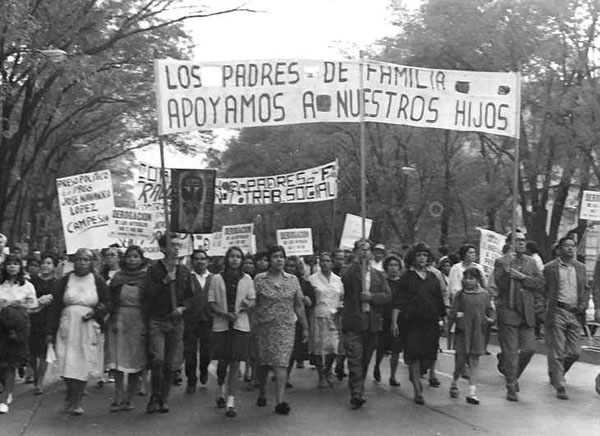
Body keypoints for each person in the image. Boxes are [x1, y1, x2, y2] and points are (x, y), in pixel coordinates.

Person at [47, 248, 109, 415]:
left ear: (91, 262)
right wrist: (50, 330)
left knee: (83, 361)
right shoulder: (65, 280)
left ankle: (78, 401)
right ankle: (70, 391)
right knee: (66, 360)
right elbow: (56, 306)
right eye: (79, 259)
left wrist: (96, 312)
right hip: (67, 323)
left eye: (86, 260)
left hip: (87, 325)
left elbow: (106, 302)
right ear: (74, 262)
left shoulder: (97, 280)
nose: (82, 263)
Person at [253, 245, 308, 415]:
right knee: (263, 362)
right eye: (275, 256)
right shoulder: (259, 279)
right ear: (269, 260)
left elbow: (298, 304)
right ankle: (262, 390)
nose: (279, 260)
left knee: (281, 363)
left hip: (285, 327)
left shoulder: (292, 280)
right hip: (264, 327)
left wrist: (305, 327)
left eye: (281, 257)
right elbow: (253, 302)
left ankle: (280, 401)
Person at [143, 233, 193, 414]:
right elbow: (147, 295)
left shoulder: (185, 271)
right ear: (163, 249)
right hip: (157, 320)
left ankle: (164, 398)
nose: (176, 248)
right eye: (172, 245)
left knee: (171, 363)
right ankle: (154, 396)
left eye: (178, 245)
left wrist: (182, 308)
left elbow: (190, 297)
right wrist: (164, 281)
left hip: (176, 322)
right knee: (158, 360)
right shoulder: (154, 270)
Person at [392, 242, 445, 405]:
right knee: (414, 353)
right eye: (419, 255)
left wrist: (443, 319)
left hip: (430, 322)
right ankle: (417, 389)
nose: (422, 258)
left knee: (428, 355)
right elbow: (398, 301)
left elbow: (438, 300)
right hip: (411, 322)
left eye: (425, 255)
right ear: (413, 258)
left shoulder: (433, 278)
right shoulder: (406, 278)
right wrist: (394, 321)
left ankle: (419, 372)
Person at [494, 231, 544, 402]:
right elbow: (499, 285)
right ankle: (510, 386)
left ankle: (513, 375)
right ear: (510, 244)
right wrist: (507, 273)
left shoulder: (531, 262)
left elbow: (540, 283)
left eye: (523, 240)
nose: (522, 243)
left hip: (527, 313)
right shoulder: (502, 261)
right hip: (509, 311)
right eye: (518, 241)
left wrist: (522, 277)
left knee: (530, 349)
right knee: (511, 352)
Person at [342, 239, 392, 409]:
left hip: (372, 324)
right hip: (354, 323)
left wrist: (372, 298)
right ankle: (356, 393)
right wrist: (357, 263)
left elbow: (387, 296)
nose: (366, 252)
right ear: (356, 252)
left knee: (364, 360)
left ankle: (358, 386)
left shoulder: (378, 275)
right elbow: (346, 281)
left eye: (368, 250)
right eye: (362, 250)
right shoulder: (350, 271)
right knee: (355, 359)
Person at [208, 246, 255, 417]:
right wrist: (224, 314)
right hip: (221, 325)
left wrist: (243, 308)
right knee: (223, 361)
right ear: (226, 259)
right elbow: (211, 302)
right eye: (232, 256)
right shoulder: (216, 279)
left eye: (238, 257)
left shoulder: (247, 279)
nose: (235, 259)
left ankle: (231, 401)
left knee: (235, 361)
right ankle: (220, 388)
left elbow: (252, 299)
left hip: (240, 325)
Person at [543, 235, 588, 400]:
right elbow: (543, 290)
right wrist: (543, 310)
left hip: (575, 313)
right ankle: (560, 383)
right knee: (557, 349)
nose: (570, 248)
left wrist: (583, 306)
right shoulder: (550, 268)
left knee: (575, 352)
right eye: (567, 245)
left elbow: (585, 288)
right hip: (557, 311)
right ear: (560, 249)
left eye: (572, 246)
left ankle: (557, 371)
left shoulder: (581, 268)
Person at [106, 246, 148, 412]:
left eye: (136, 256)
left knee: (134, 361)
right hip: (119, 320)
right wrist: (113, 318)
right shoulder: (118, 277)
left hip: (138, 320)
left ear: (141, 259)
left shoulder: (146, 279)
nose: (132, 259)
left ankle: (129, 398)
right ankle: (118, 395)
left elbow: (150, 302)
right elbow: (110, 300)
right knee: (117, 360)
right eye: (129, 256)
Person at [0, 255, 44, 413]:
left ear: (20, 267)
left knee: (11, 362)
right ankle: (6, 388)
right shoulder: (1, 284)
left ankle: (5, 397)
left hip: (18, 328)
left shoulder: (27, 286)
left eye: (15, 264)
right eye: (9, 264)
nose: (12, 267)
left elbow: (33, 307)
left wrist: (18, 306)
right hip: (1, 327)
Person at [447, 267, 494, 405]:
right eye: (466, 278)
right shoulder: (460, 295)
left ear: (478, 280)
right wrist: (448, 330)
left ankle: (472, 393)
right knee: (460, 362)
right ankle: (454, 382)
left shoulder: (484, 295)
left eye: (472, 278)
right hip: (462, 333)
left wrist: (490, 320)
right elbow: (452, 314)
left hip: (477, 333)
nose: (468, 281)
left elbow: (490, 311)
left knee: (474, 361)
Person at [308, 252, 343, 388]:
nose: (324, 263)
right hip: (319, 315)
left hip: (335, 316)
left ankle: (327, 370)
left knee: (334, 347)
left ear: (332, 263)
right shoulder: (312, 279)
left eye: (328, 261)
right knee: (318, 348)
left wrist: (340, 307)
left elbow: (341, 297)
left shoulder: (338, 280)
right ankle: (320, 374)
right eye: (322, 261)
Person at [184, 249, 213, 393]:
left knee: (206, 351)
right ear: (192, 261)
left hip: (208, 320)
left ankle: (204, 370)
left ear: (207, 261)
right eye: (197, 259)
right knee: (189, 352)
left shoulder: (214, 278)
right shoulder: (186, 278)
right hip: (190, 320)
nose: (200, 261)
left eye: (203, 259)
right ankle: (191, 379)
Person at [28, 252, 58, 395]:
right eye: (44, 263)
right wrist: (39, 302)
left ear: (54, 266)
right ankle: (34, 372)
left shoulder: (57, 283)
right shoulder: (32, 281)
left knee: (44, 352)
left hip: (48, 319)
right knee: (31, 353)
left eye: (49, 263)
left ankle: (40, 382)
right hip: (32, 318)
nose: (46, 266)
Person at [373, 254, 404, 387]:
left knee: (396, 349)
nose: (393, 268)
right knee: (381, 347)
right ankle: (377, 365)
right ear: (386, 267)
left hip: (398, 318)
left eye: (396, 265)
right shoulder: (382, 281)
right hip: (383, 317)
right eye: (391, 265)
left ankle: (393, 376)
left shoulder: (402, 283)